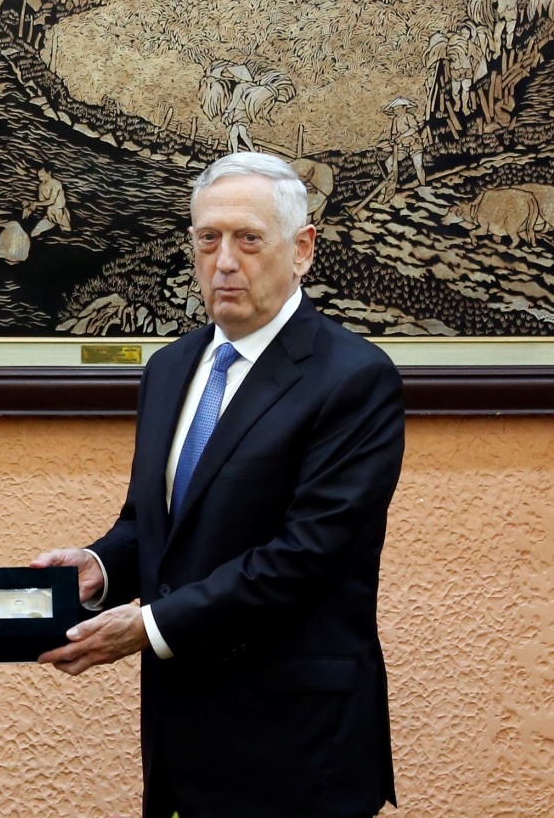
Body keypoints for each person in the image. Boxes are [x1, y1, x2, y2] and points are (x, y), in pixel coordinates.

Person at [33, 152, 405, 818]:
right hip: (183, 736)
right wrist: (99, 565)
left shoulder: (353, 378)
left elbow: (306, 555)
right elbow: (153, 522)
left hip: (296, 745)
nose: (224, 261)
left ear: (303, 250)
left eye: (248, 239)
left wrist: (150, 625)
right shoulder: (172, 369)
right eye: (208, 238)